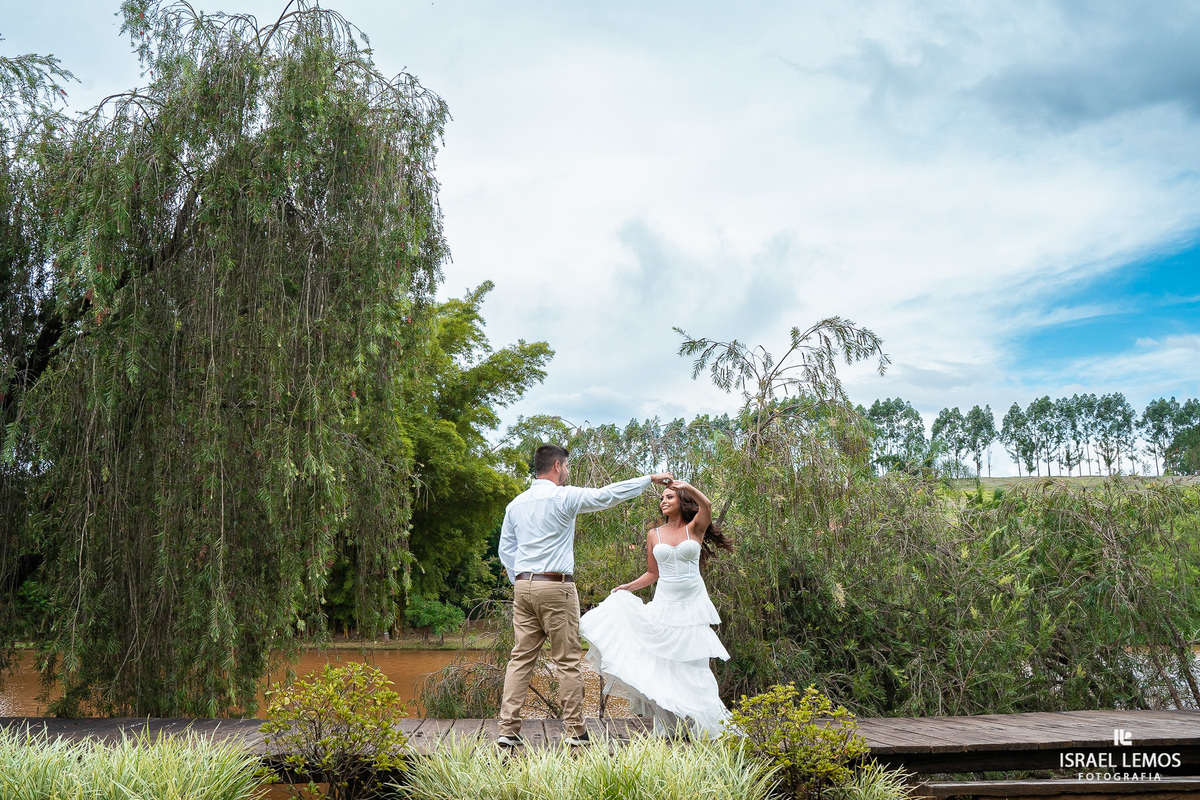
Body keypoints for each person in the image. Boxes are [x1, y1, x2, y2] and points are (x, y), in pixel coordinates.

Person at [496, 443, 673, 748]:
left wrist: (521, 580)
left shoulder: (516, 504)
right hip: (556, 587)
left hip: (523, 587)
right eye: (566, 466)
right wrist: (649, 479)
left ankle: (507, 732)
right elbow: (607, 495)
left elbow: (506, 550)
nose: (567, 471)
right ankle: (575, 731)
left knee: (520, 659)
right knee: (566, 660)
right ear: (556, 467)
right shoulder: (564, 496)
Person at [579, 478, 734, 738]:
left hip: (692, 605)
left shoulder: (694, 528)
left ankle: (704, 723)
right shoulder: (654, 534)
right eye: (662, 498)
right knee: (664, 664)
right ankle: (670, 725)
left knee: (695, 666)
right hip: (665, 603)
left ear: (682, 501)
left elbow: (706, 504)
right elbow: (653, 573)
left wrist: (686, 487)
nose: (663, 501)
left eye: (669, 497)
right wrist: (628, 587)